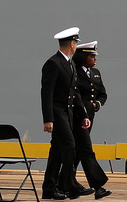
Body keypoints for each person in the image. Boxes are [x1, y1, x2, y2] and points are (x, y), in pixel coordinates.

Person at [41, 27, 91, 200]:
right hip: (57, 113)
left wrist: (83, 114)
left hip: (67, 113)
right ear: (71, 43)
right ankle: (69, 185)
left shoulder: (69, 63)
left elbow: (74, 92)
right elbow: (46, 93)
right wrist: (48, 119)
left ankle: (49, 188)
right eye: (76, 42)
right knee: (70, 146)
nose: (76, 45)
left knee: (56, 150)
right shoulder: (53, 63)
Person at [70, 41, 111, 199]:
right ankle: (98, 186)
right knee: (85, 150)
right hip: (76, 117)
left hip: (89, 117)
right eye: (91, 55)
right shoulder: (73, 71)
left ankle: (65, 182)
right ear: (82, 57)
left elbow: (103, 94)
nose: (95, 58)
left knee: (77, 152)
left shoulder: (96, 73)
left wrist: (97, 105)